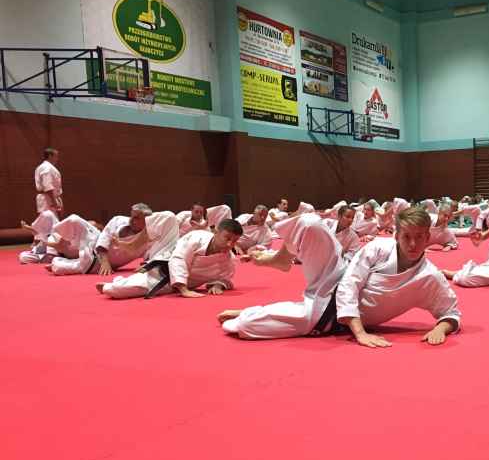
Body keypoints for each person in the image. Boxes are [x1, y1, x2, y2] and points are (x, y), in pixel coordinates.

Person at [218, 208, 461, 347]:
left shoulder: (429, 277)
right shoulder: (379, 247)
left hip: (330, 315)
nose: (413, 243)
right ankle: (282, 258)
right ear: (396, 235)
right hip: (333, 274)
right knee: (309, 222)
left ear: (428, 237)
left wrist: (441, 329)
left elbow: (450, 312)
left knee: (245, 326)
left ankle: (250, 312)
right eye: (407, 236)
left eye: (419, 237)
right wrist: (360, 333)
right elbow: (349, 283)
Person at [97, 218, 242, 299]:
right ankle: (114, 284)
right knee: (115, 291)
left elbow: (225, 277)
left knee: (128, 288)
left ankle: (120, 281)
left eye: (234, 241)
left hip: (184, 284)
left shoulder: (228, 258)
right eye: (227, 238)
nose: (230, 244)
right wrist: (183, 289)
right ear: (216, 232)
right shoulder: (197, 237)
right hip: (164, 274)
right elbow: (178, 259)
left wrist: (217, 285)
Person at [34, 148, 63, 217]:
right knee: (48, 220)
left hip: (50, 199)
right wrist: (54, 202)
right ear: (50, 156)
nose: (57, 159)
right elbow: (48, 186)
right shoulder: (46, 167)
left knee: (51, 221)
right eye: (56, 156)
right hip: (48, 200)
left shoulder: (46, 167)